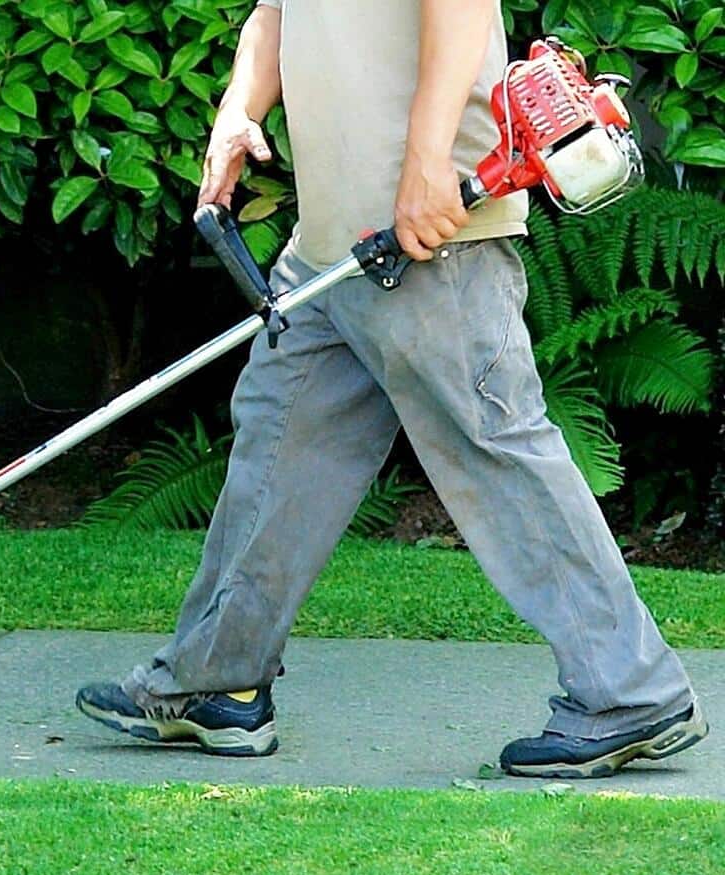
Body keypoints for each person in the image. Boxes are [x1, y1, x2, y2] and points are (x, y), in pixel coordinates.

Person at [75, 0, 708, 778]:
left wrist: (427, 162)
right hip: (328, 250)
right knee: (281, 452)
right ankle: (217, 681)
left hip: (430, 234)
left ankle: (630, 692)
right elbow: (274, 13)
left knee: (496, 453)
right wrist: (240, 111)